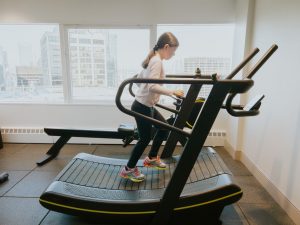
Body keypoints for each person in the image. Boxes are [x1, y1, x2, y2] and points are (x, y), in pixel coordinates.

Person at [120, 32, 184, 182]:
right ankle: (128, 170)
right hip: (142, 106)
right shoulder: (157, 61)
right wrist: (172, 92)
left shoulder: (153, 59)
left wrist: (150, 95)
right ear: (166, 47)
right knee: (144, 138)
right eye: (173, 51)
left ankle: (152, 158)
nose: (173, 54)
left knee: (164, 128)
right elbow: (152, 86)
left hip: (145, 104)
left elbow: (140, 79)